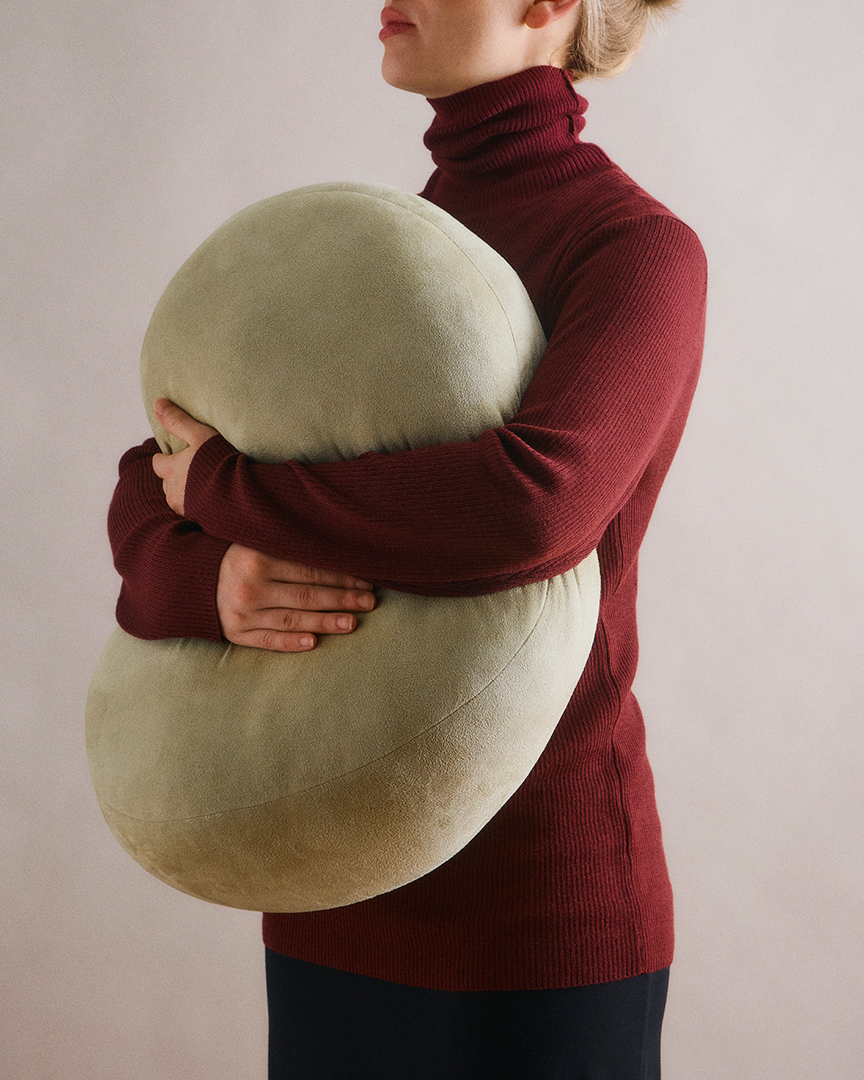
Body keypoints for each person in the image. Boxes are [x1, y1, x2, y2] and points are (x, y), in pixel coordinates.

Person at [108, 1, 707, 1076]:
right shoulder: (379, 251)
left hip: (543, 913)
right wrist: (212, 581)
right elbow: (154, 471)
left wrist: (231, 489)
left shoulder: (637, 251)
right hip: (330, 873)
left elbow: (533, 506)